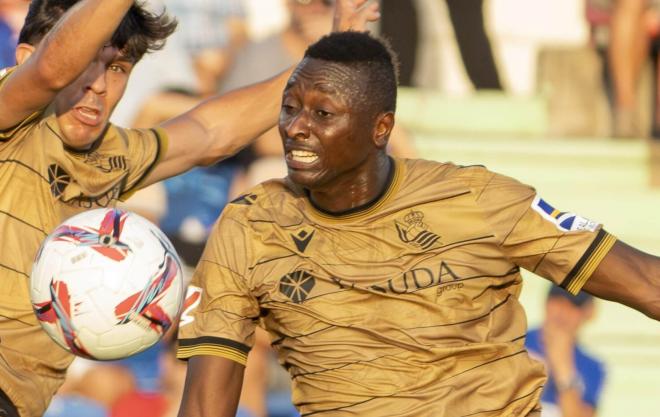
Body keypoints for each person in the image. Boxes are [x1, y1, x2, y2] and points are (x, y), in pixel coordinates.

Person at [176, 31, 660, 417]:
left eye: (322, 113)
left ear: (380, 128)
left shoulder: (475, 198)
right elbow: (203, 403)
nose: (295, 127)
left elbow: (645, 281)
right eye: (289, 107)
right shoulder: (250, 226)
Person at [0, 0, 380, 416]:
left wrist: (329, 58)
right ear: (24, 59)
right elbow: (52, 69)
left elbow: (212, 132)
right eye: (87, 62)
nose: (99, 85)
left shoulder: (111, 155)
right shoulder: (10, 115)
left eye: (117, 68)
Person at [525, 286, 606, 417]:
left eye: (574, 306)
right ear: (546, 303)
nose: (563, 312)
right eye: (558, 302)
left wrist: (564, 369)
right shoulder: (515, 342)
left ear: (589, 312)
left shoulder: (592, 366)